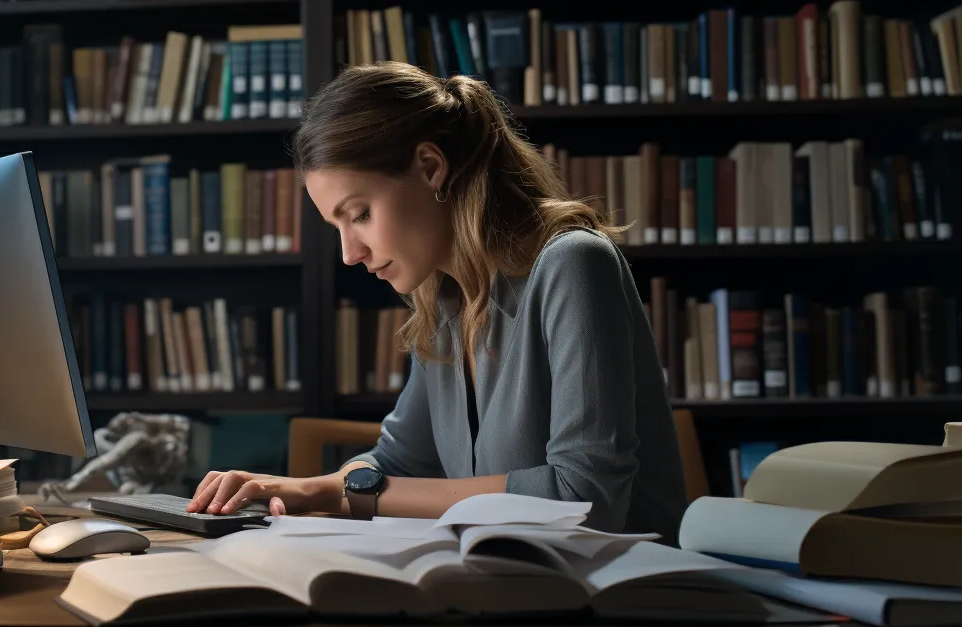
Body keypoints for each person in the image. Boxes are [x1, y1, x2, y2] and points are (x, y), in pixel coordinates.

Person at [185, 62, 687, 543]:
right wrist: (293, 489)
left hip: (620, 598)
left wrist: (341, 491)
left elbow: (585, 499)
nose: (349, 253)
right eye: (336, 227)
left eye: (358, 214)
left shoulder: (574, 264)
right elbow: (399, 464)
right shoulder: (444, 298)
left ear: (430, 167)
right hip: (511, 584)